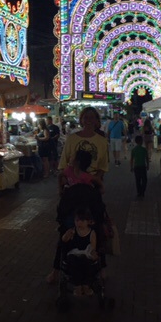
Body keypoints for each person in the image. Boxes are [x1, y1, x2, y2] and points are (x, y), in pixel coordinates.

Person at [48, 106, 109, 284]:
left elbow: (103, 169)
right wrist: (66, 184)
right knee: (66, 229)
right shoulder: (72, 139)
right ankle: (56, 269)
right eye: (86, 117)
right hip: (72, 193)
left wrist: (91, 182)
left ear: (97, 121)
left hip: (91, 193)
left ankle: (101, 266)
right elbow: (63, 165)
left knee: (97, 228)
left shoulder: (101, 141)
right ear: (81, 120)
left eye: (92, 117)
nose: (89, 120)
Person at [61, 207, 100, 297]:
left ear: (88, 222)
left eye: (82, 220)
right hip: (74, 254)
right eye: (77, 220)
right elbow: (64, 240)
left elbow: (92, 248)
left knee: (88, 264)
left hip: (86, 254)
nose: (79, 223)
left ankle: (86, 286)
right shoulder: (72, 231)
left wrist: (94, 254)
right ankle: (78, 286)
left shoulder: (92, 233)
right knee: (73, 262)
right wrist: (66, 236)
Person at [130, 135, 150, 199]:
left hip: (136, 167)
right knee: (144, 180)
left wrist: (131, 167)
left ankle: (139, 192)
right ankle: (142, 191)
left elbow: (131, 159)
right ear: (141, 141)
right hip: (143, 166)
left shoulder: (133, 150)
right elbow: (147, 158)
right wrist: (148, 165)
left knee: (137, 180)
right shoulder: (144, 149)